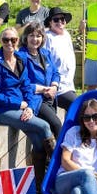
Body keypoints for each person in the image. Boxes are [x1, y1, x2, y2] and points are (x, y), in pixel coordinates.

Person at [0, 27, 55, 176]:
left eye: (13, 40)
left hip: (22, 107)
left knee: (37, 140)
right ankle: (58, 169)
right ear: (0, 42)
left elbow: (26, 86)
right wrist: (18, 104)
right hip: (3, 110)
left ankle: (39, 183)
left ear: (17, 41)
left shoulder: (20, 60)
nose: (9, 43)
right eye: (6, 40)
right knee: (44, 126)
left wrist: (29, 106)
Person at [18, 21, 62, 181]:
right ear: (26, 37)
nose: (35, 39)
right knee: (57, 125)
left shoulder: (45, 53)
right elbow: (23, 83)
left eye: (38, 36)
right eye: (31, 35)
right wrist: (44, 89)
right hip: (36, 100)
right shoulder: (21, 56)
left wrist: (55, 86)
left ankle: (44, 176)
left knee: (43, 139)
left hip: (50, 97)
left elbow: (55, 72)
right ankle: (61, 167)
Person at [43, 7, 78, 112]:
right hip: (57, 86)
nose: (60, 22)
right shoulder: (47, 38)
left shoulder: (66, 34)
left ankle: (69, 128)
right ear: (50, 22)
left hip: (69, 84)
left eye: (62, 19)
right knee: (78, 105)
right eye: (56, 20)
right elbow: (45, 63)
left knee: (73, 111)